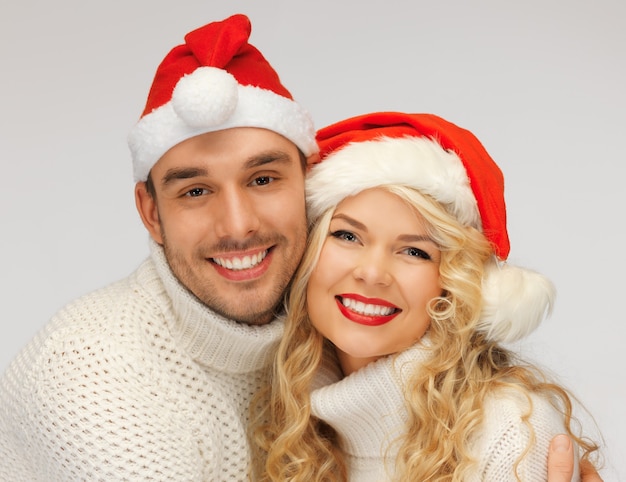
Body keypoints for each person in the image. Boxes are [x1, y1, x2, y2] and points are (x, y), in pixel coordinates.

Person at [0, 14, 600, 482]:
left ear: (302, 189)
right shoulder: (96, 382)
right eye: (196, 190)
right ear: (151, 211)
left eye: (263, 179)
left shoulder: (499, 429)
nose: (238, 225)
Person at [253, 112, 602, 481]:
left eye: (415, 252)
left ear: (453, 282)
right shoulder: (291, 422)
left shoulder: (508, 432)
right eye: (347, 236)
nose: (372, 273)